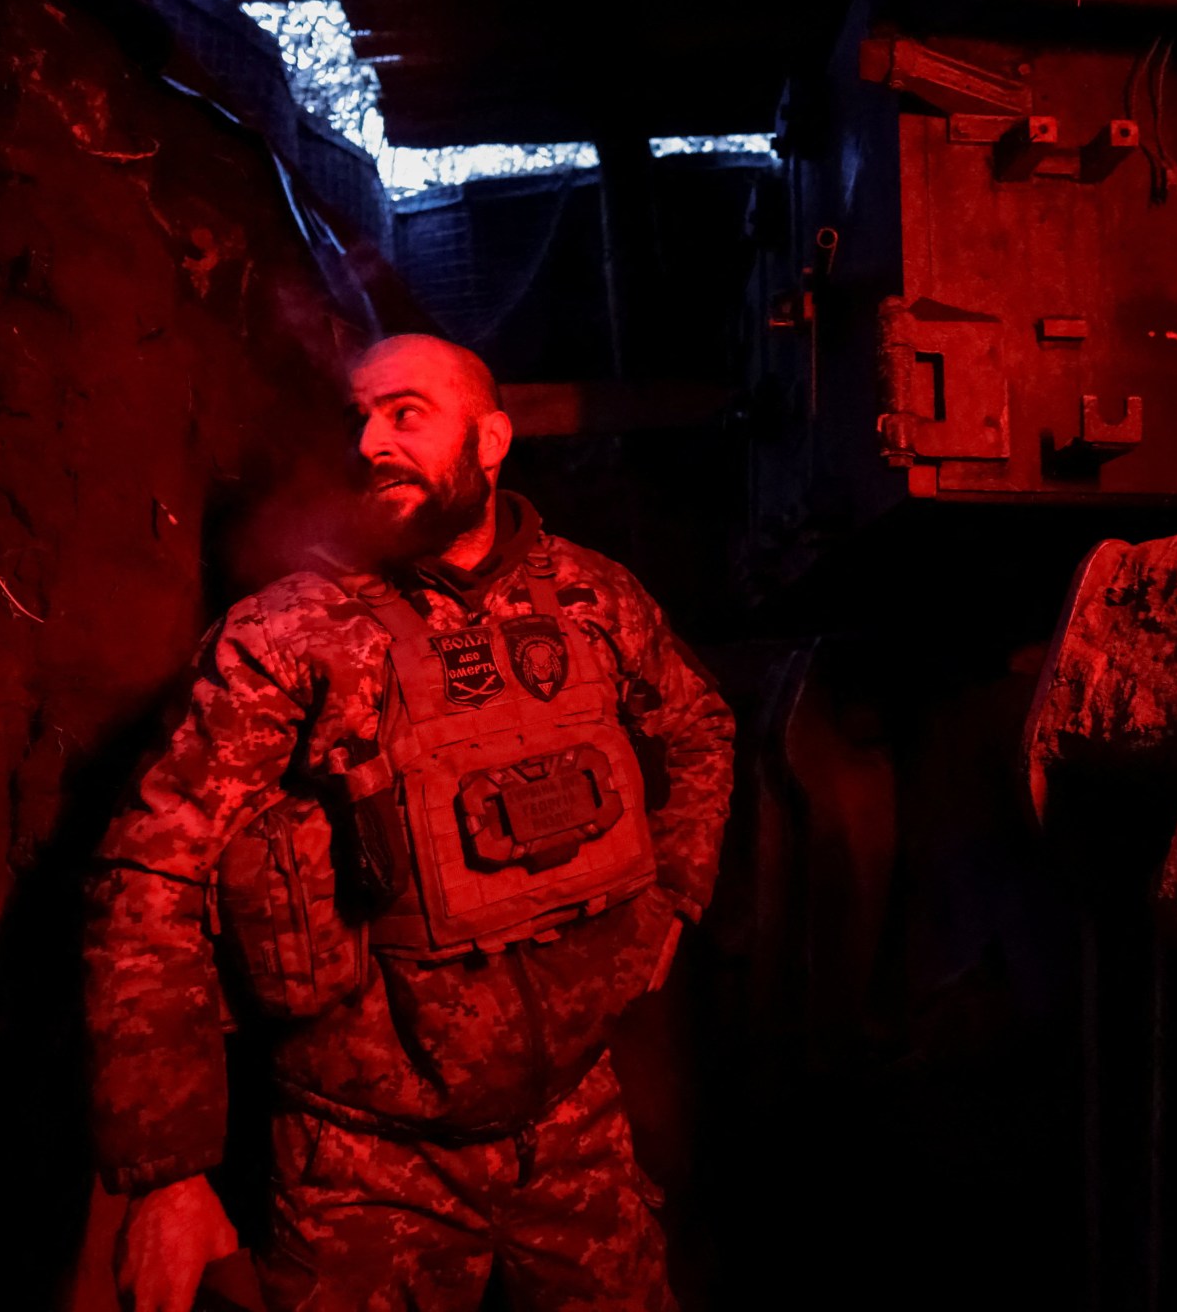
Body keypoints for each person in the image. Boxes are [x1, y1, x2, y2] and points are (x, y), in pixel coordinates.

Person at [84, 334, 734, 1312]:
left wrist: (678, 889)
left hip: (575, 1131)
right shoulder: (288, 636)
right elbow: (150, 872)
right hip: (362, 1169)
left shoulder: (592, 599)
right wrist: (167, 1171)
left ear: (492, 440)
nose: (370, 444)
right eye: (357, 421)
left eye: (405, 414)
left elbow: (698, 727)